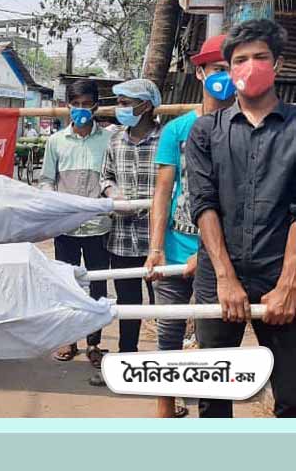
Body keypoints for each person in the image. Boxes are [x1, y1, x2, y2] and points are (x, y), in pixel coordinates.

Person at [186, 19, 296, 418]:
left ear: (277, 64)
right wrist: (225, 278)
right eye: (240, 59)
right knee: (214, 395)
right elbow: (204, 204)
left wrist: (288, 283)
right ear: (229, 70)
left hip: (281, 275)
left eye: (260, 57)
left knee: (292, 396)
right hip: (218, 277)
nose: (250, 66)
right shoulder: (205, 131)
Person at [144, 35, 236, 418]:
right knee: (168, 332)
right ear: (200, 73)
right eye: (217, 69)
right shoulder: (176, 130)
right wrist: (156, 247)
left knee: (212, 339)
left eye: (231, 69)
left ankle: (209, 410)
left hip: (222, 256)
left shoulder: (245, 128)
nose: (224, 77)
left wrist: (209, 254)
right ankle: (166, 409)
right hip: (176, 246)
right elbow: (163, 192)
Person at [40, 80, 111, 385]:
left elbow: (111, 178)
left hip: (98, 227)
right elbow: (46, 180)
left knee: (98, 285)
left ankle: (94, 343)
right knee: (66, 284)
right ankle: (68, 340)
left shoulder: (108, 140)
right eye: (76, 104)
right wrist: (53, 202)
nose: (81, 109)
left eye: (86, 104)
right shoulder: (56, 142)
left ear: (96, 106)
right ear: (68, 105)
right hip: (66, 227)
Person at [100, 78, 162, 353]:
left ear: (145, 106)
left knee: (163, 303)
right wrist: (114, 194)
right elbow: (106, 177)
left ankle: (165, 359)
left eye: (125, 103)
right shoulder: (115, 141)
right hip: (123, 238)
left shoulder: (167, 139)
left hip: (157, 239)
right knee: (127, 303)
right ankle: (127, 355)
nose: (120, 108)